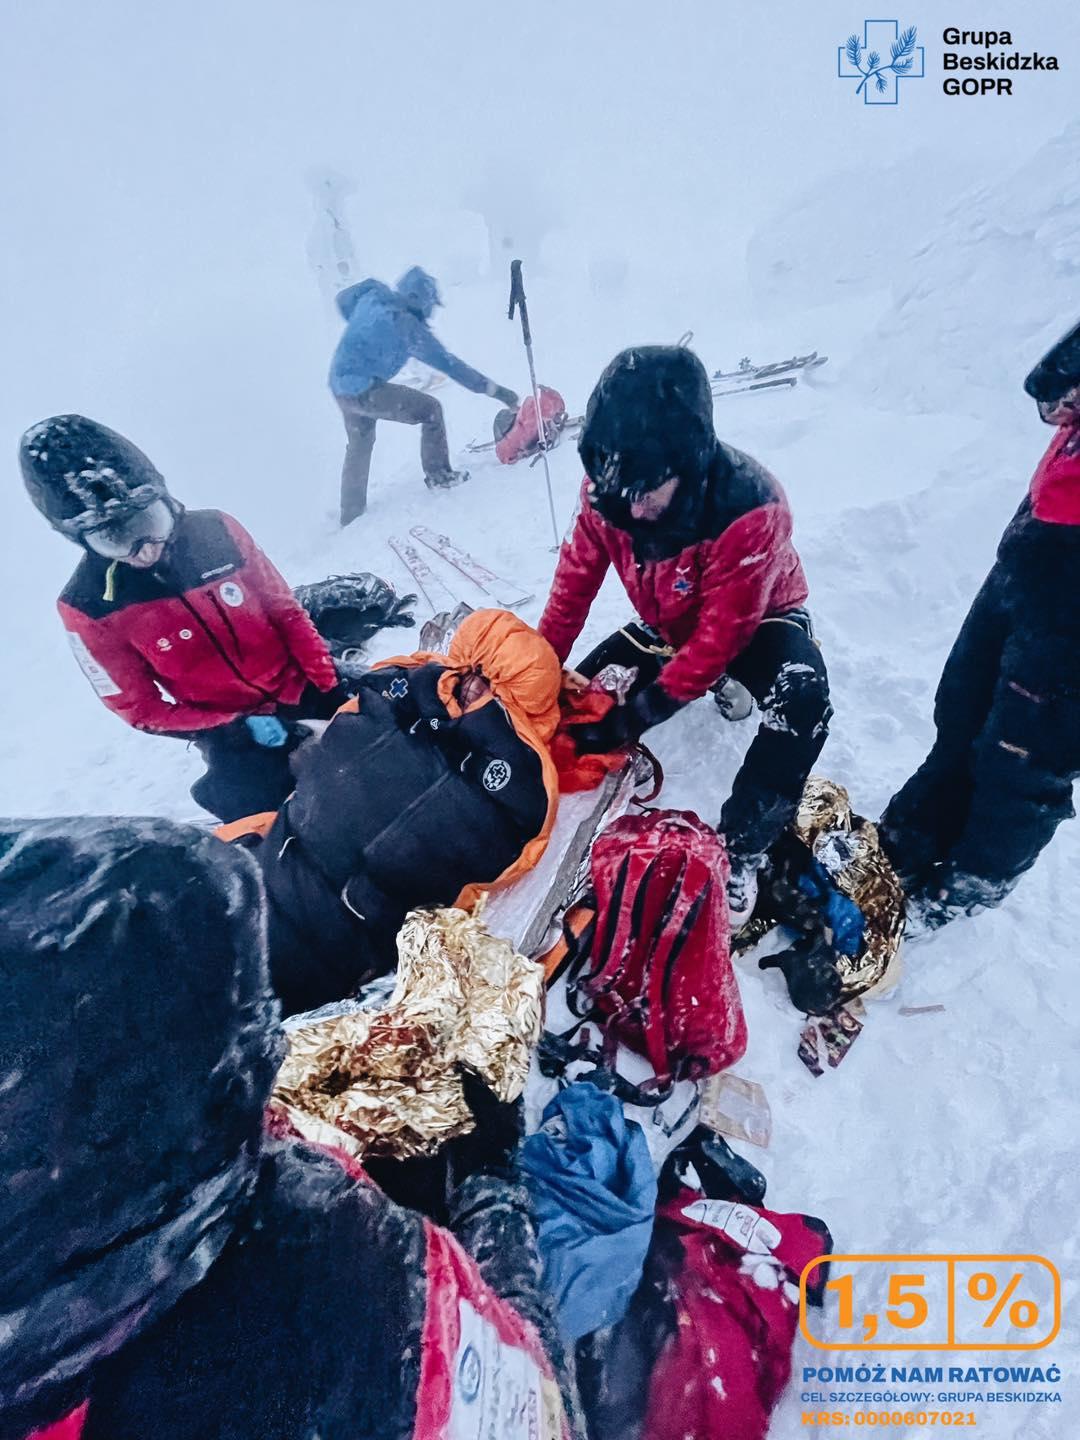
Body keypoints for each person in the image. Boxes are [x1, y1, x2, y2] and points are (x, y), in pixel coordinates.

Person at [0, 815, 580, 1440]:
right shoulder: (323, 1281)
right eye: (251, 1024)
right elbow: (543, 1416)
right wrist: (489, 1174)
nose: (272, 1049)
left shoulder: (73, 1277)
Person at [538, 345, 831, 927]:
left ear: (689, 462)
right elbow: (573, 588)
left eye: (649, 491)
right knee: (572, 696)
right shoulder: (611, 490)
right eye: (618, 491)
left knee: (802, 699)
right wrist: (537, 668)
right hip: (668, 618)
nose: (633, 507)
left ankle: (743, 850)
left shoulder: (750, 506)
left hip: (756, 619)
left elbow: (720, 638)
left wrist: (635, 715)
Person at [228, 609, 562, 1015]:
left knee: (244, 997)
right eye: (472, 672)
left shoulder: (520, 779)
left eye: (491, 685)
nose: (473, 688)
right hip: (284, 862)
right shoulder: (404, 688)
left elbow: (481, 874)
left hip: (345, 932)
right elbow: (342, 739)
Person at [20, 414, 343, 822]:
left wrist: (329, 686)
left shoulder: (218, 532)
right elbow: (141, 708)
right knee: (274, 825)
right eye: (114, 539)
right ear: (80, 539)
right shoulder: (87, 607)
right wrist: (232, 728)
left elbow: (286, 614)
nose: (144, 548)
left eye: (149, 522)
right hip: (233, 732)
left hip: (303, 688)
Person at [880, 317, 1080, 930]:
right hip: (1034, 554)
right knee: (964, 703)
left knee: (1023, 755)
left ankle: (975, 877)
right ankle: (918, 831)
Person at [329, 265, 519, 524]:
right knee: (430, 410)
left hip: (340, 385)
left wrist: (361, 328)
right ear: (423, 301)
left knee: (360, 441)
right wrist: (497, 391)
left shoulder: (373, 292)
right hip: (363, 388)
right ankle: (439, 475)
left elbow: (343, 300)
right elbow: (450, 364)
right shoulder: (407, 327)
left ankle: (350, 513)